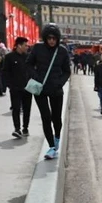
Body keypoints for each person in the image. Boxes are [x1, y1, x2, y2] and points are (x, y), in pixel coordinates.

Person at [26, 24, 72, 160]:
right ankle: (51, 146)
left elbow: (67, 71)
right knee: (45, 117)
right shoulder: (37, 48)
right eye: (49, 38)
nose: (51, 40)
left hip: (56, 90)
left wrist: (60, 83)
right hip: (40, 89)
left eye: (54, 38)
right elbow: (28, 64)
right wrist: (35, 76)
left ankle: (57, 136)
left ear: (58, 39)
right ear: (45, 38)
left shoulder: (62, 51)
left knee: (56, 118)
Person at [3, 37, 32, 138]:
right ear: (19, 45)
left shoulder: (28, 57)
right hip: (15, 88)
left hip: (28, 88)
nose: (27, 47)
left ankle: (25, 127)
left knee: (27, 109)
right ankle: (17, 129)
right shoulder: (9, 57)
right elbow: (5, 72)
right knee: (16, 108)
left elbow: (32, 70)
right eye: (25, 45)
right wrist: (9, 85)